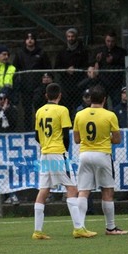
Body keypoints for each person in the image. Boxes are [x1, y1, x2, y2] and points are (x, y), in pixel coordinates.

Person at [32, 82, 96, 240]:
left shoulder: (39, 111)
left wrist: (45, 145)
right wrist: (64, 153)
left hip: (44, 153)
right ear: (59, 95)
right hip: (58, 153)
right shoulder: (62, 110)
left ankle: (37, 231)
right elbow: (66, 135)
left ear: (46, 96)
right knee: (72, 189)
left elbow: (36, 135)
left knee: (43, 190)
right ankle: (78, 228)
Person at [74, 85, 128, 235]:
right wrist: (104, 137)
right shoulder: (110, 115)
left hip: (84, 155)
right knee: (107, 191)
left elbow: (77, 139)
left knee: (83, 192)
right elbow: (117, 139)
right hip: (102, 155)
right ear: (105, 99)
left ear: (90, 99)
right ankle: (110, 227)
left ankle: (80, 227)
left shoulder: (80, 115)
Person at [13, 32, 52, 131]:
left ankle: (41, 129)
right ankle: (28, 130)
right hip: (25, 86)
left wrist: (47, 77)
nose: (30, 40)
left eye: (32, 38)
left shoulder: (42, 53)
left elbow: (48, 68)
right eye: (27, 38)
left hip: (39, 85)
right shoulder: (20, 54)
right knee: (27, 110)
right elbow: (15, 69)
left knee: (39, 108)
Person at [54, 28, 88, 119]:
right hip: (66, 85)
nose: (70, 38)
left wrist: (77, 70)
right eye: (68, 36)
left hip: (79, 84)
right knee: (67, 108)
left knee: (79, 108)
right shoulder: (62, 52)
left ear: (76, 37)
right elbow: (56, 67)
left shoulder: (83, 51)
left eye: (72, 36)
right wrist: (66, 70)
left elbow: (86, 66)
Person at [93, 31, 127, 106]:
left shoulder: (121, 52)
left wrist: (114, 60)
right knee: (101, 102)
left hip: (116, 82)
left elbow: (125, 64)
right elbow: (92, 63)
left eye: (112, 41)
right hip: (102, 81)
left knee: (117, 103)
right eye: (108, 41)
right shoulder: (99, 51)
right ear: (105, 40)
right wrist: (97, 61)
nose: (110, 44)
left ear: (115, 41)